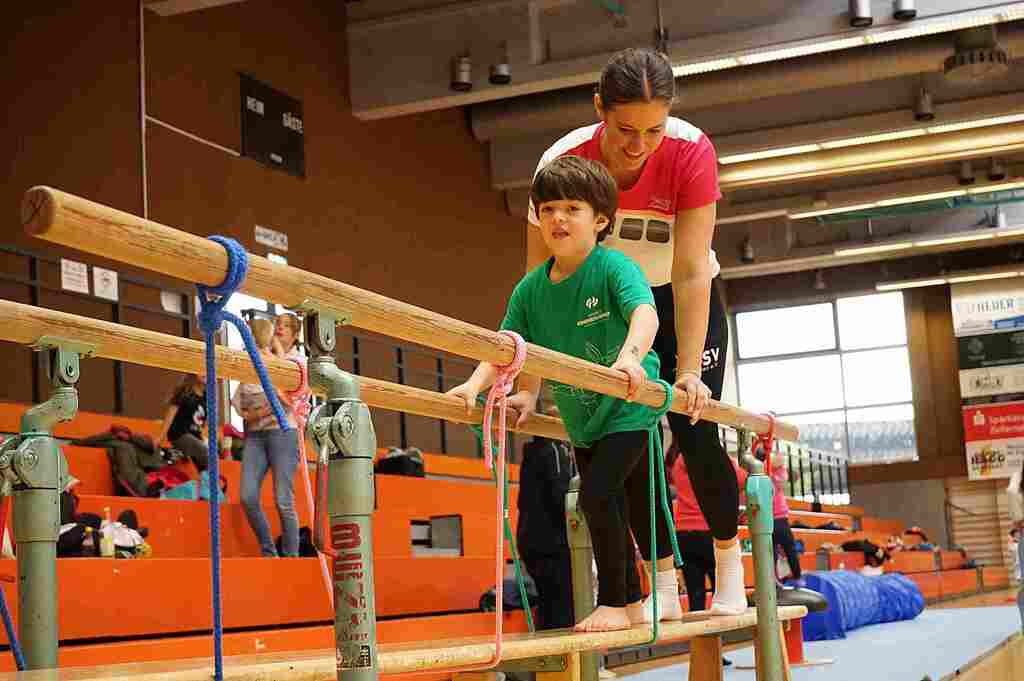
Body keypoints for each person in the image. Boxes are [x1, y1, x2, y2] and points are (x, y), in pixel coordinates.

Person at [524, 47, 745, 616]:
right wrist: (530, 384)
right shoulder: (563, 162)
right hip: (611, 307)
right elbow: (540, 282)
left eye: (653, 130)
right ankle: (665, 588)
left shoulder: (690, 150)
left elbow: (691, 271)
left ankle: (729, 569)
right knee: (630, 444)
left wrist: (689, 370)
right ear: (599, 108)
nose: (639, 145)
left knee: (695, 430)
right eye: (625, 130)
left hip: (680, 299)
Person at [448, 155, 676, 632]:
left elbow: (645, 313)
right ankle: (635, 601)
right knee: (618, 500)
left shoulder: (614, 267)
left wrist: (631, 357)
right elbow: (508, 345)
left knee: (598, 496)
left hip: (629, 403)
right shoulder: (530, 289)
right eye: (549, 209)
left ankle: (617, 600)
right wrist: (476, 386)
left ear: (600, 220)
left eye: (572, 208)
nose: (558, 219)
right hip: (583, 418)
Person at [232, 318, 301, 557]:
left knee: (283, 499)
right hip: (256, 435)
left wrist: (260, 411)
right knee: (247, 496)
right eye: (277, 324)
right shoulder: (254, 361)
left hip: (283, 433)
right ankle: (269, 550)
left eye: (286, 325)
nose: (280, 328)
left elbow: (290, 399)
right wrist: (257, 412)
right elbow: (240, 404)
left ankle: (291, 557)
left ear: (295, 335)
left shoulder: (295, 361)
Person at [668, 443, 747, 612]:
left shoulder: (678, 463)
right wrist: (733, 462)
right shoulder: (712, 456)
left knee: (695, 595)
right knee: (723, 591)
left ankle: (698, 626)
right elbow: (741, 479)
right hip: (710, 531)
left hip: (684, 533)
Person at [516, 433, 574, 630]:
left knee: (548, 603)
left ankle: (549, 642)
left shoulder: (533, 452)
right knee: (562, 605)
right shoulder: (555, 451)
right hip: (552, 542)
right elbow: (562, 498)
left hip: (530, 539)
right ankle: (563, 646)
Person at [156, 374, 210, 471]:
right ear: (193, 373)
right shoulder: (185, 392)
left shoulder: (207, 397)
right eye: (200, 371)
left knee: (206, 461)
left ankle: (206, 480)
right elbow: (170, 415)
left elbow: (202, 423)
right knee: (205, 451)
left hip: (195, 437)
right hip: (180, 434)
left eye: (206, 371)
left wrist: (203, 438)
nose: (204, 374)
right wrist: (160, 438)